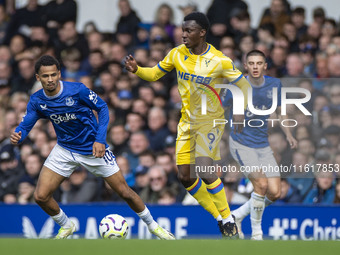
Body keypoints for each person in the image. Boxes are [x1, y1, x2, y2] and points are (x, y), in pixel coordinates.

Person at [10, 55, 175, 240]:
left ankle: (154, 227)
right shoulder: (37, 99)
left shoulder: (77, 90)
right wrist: (19, 134)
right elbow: (26, 124)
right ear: (37, 77)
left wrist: (100, 140)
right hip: (64, 149)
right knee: (40, 196)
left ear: (59, 74)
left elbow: (103, 108)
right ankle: (66, 225)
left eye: (53, 75)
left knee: (124, 192)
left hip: (92, 149)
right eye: (45, 76)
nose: (50, 79)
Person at [125, 12, 251, 238]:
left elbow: (243, 86)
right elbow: (154, 73)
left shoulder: (219, 60)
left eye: (189, 31)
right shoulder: (176, 54)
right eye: (183, 30)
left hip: (210, 121)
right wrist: (137, 70)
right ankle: (222, 218)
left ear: (202, 33)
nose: (183, 35)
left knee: (204, 167)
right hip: (187, 123)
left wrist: (239, 112)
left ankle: (228, 218)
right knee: (185, 177)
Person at [225, 49, 298, 240]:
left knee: (275, 192)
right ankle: (257, 233)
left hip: (262, 144)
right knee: (261, 184)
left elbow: (282, 112)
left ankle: (236, 216)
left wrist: (289, 134)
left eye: (259, 63)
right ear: (246, 65)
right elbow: (220, 108)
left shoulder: (275, 84)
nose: (255, 67)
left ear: (265, 66)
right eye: (252, 63)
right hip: (241, 143)